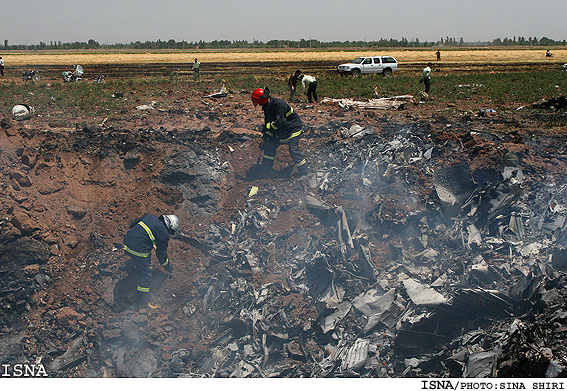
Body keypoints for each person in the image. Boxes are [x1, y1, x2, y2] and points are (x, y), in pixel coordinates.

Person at [122, 214, 179, 308]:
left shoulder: (151, 217)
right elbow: (161, 254)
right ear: (170, 226)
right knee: (145, 275)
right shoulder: (163, 233)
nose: (169, 232)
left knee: (147, 251)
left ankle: (135, 265)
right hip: (137, 249)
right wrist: (167, 266)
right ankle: (142, 301)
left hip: (127, 241)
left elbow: (133, 224)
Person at [250, 87, 309, 178]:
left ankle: (304, 172)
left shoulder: (279, 105)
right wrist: (266, 136)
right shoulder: (267, 107)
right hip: (281, 129)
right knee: (269, 145)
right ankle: (266, 168)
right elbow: (269, 124)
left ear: (262, 100)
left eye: (259, 103)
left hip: (292, 128)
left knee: (293, 149)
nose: (259, 105)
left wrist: (269, 128)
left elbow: (281, 121)